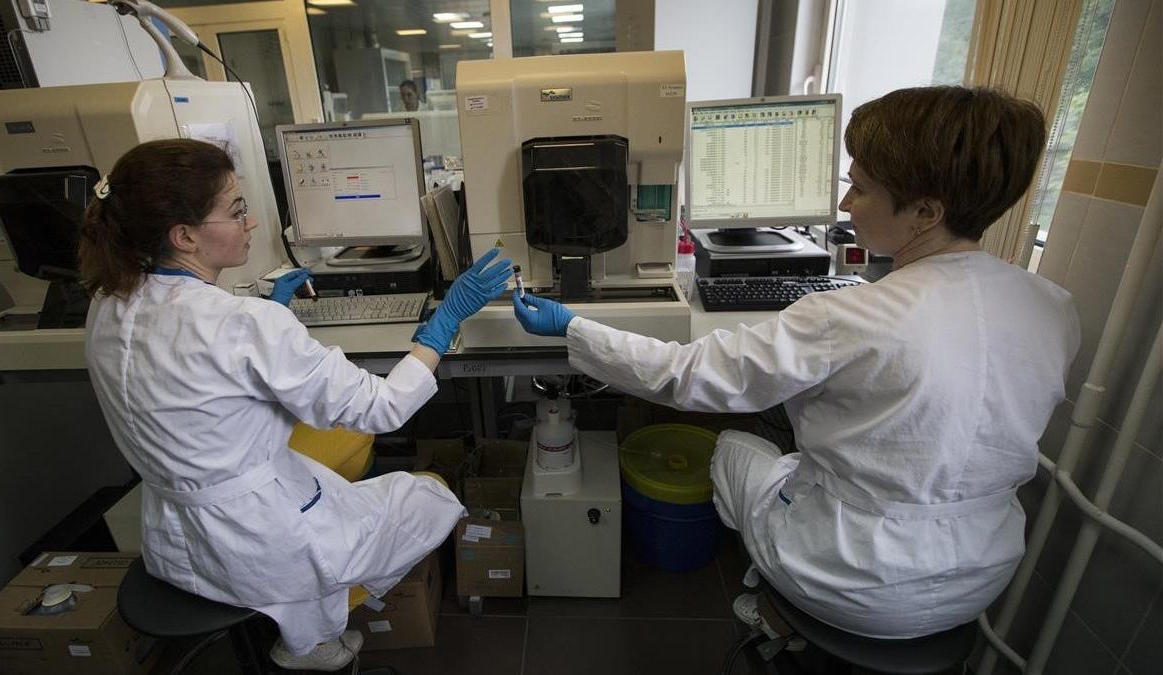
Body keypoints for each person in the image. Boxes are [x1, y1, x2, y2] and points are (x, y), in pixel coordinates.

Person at [512, 86, 1080, 640]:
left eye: (859, 188)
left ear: (926, 212)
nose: (843, 204)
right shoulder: (1053, 307)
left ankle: (778, 610)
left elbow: (687, 375)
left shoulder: (851, 314)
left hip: (853, 579)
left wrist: (573, 328)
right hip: (981, 577)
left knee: (734, 448)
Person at [79, 139, 511, 671]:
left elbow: (195, 374)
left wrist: (265, 314)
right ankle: (313, 639)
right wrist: (444, 326)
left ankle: (308, 611)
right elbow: (384, 407)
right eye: (237, 211)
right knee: (429, 495)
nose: (251, 223)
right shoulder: (242, 325)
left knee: (346, 444)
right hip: (260, 550)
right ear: (184, 235)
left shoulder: (108, 302)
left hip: (175, 541)